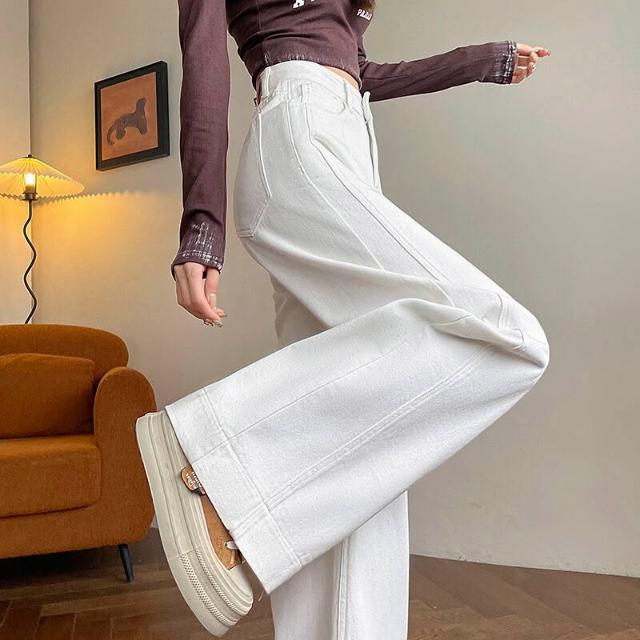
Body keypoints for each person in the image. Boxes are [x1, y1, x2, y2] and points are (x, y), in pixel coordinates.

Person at [135, 0, 552, 638]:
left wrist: (480, 61)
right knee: (506, 336)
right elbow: (205, 64)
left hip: (349, 139)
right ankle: (214, 465)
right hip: (297, 138)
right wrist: (201, 227)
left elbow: (362, 73)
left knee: (367, 447)